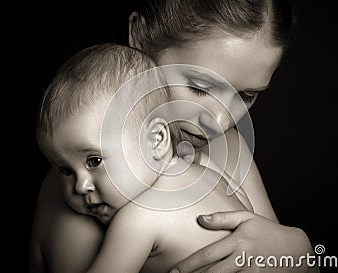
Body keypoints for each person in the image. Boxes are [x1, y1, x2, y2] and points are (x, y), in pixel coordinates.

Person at [30, 0, 319, 272]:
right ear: (140, 37)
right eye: (199, 88)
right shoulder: (85, 186)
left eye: (245, 96)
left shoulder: (228, 147)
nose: (219, 121)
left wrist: (300, 251)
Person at [33, 42, 254, 273]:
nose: (80, 186)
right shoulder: (212, 173)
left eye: (94, 161)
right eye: (65, 171)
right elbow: (252, 225)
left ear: (157, 140)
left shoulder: (137, 220)